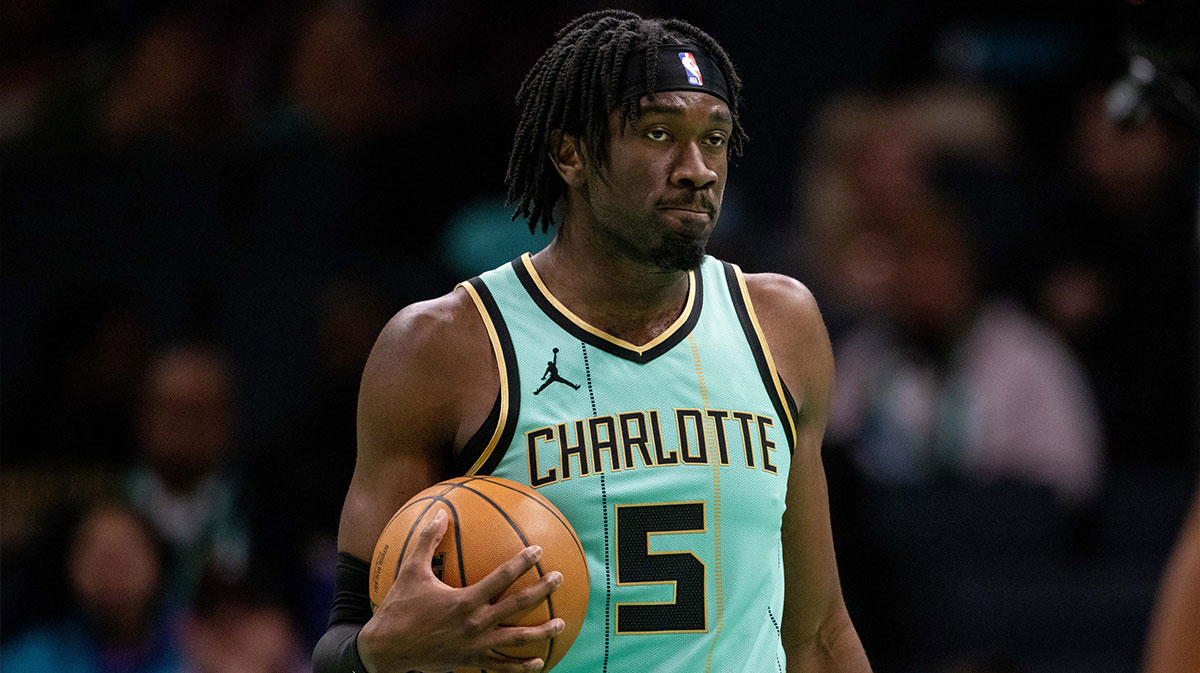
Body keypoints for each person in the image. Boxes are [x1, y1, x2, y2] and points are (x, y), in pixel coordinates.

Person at [314, 10, 871, 673]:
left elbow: (816, 635)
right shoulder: (443, 345)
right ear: (569, 153)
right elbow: (342, 642)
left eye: (715, 139)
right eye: (659, 133)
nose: (697, 169)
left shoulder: (782, 325)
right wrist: (382, 650)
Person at [0, 500, 181, 673]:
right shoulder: (33, 656)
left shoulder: (194, 644)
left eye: (127, 550)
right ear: (68, 566)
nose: (113, 567)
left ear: (158, 559)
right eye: (97, 552)